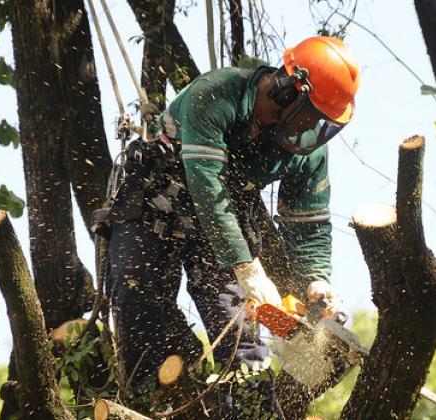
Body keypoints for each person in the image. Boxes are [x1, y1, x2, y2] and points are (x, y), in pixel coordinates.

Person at [99, 35, 360, 416]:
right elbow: (207, 184)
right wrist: (247, 267)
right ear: (288, 90)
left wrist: (316, 280)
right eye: (311, 115)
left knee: (241, 334)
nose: (312, 128)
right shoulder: (218, 93)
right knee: (136, 296)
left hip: (220, 227)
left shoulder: (307, 151)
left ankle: (251, 410)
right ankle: (146, 399)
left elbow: (309, 224)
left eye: (323, 123)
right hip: (156, 207)